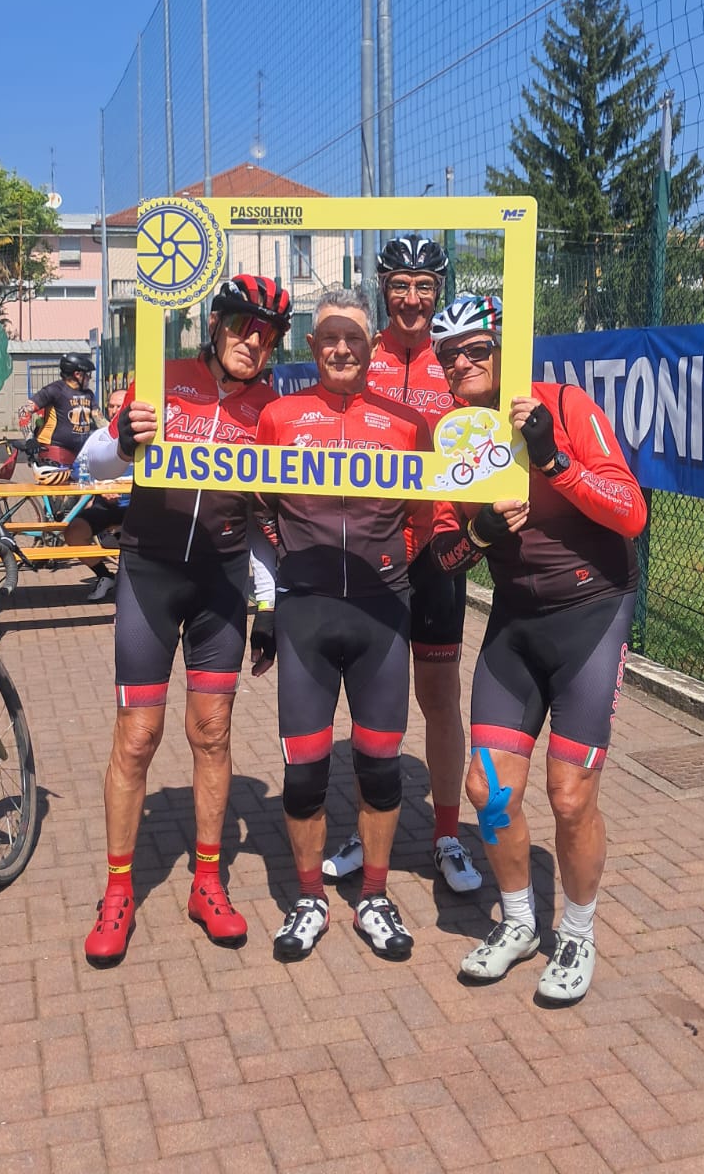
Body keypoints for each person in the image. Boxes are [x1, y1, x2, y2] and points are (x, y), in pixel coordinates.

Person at [429, 293, 647, 1006]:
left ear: (503, 348)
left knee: (570, 796)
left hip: (592, 613)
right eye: (448, 355)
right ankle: (520, 922)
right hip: (517, 621)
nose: (462, 363)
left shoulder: (563, 403)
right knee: (489, 791)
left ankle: (577, 932)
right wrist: (480, 535)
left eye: (475, 348)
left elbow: (631, 512)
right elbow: (444, 556)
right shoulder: (455, 436)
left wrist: (554, 459)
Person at [80, 276, 289, 966]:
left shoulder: (271, 407)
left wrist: (268, 603)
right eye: (243, 326)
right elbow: (90, 465)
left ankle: (207, 882)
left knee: (213, 733)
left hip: (220, 584)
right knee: (138, 737)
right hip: (151, 574)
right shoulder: (163, 376)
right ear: (216, 324)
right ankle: (118, 890)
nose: (253, 342)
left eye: (268, 335)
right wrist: (122, 439)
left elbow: (263, 521)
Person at [255, 287, 432, 963]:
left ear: (371, 346)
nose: (341, 349)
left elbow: (421, 517)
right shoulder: (279, 416)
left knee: (380, 768)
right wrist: (282, 581)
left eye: (353, 337)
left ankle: (376, 898)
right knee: (303, 772)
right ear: (311, 345)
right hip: (306, 613)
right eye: (329, 337)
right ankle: (308, 898)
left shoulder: (405, 422)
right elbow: (260, 504)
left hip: (381, 614)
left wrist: (391, 564)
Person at [323, 236, 481, 895]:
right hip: (374, 545)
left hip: (439, 549)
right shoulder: (363, 354)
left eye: (424, 286)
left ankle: (446, 834)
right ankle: (368, 832)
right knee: (370, 701)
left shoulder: (456, 359)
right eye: (399, 285)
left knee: (439, 697)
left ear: (439, 291)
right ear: (382, 288)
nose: (412, 299)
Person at [67, 389, 129, 603]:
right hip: (105, 505)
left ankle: (134, 585)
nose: (114, 410)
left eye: (119, 405)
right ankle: (105, 576)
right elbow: (78, 470)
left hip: (138, 505)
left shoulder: (147, 438)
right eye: (111, 406)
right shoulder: (98, 436)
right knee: (73, 533)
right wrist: (100, 487)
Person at [22, 353, 104, 476]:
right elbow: (24, 411)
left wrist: (116, 435)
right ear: (77, 374)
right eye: (87, 374)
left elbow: (99, 420)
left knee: (82, 487)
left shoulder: (88, 394)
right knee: (58, 487)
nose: (89, 378)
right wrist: (29, 439)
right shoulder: (55, 390)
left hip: (81, 452)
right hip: (55, 450)